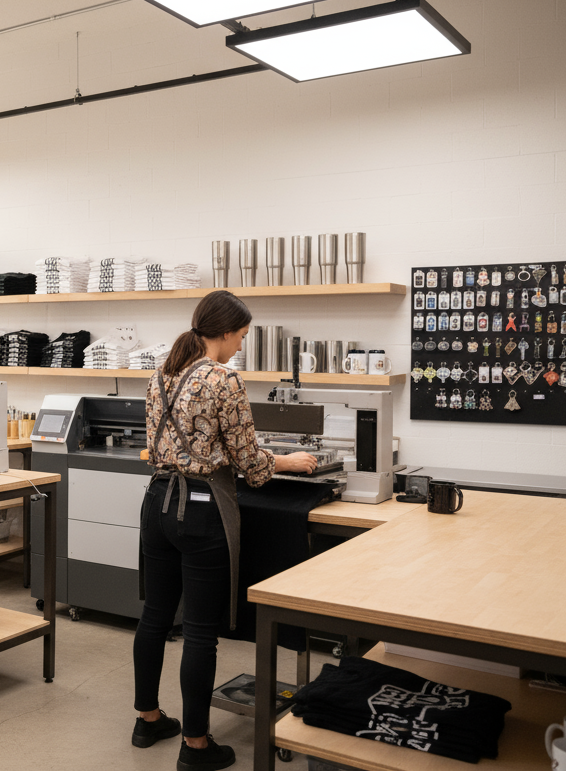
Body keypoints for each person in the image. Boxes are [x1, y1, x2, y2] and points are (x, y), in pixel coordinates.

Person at [132, 291, 317, 771]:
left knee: (154, 617)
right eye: (240, 336)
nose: (240, 346)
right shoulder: (224, 380)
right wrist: (289, 462)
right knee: (199, 632)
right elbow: (251, 465)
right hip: (200, 509)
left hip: (156, 502)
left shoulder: (162, 372)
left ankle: (147, 719)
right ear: (226, 331)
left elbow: (160, 442)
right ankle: (196, 746)